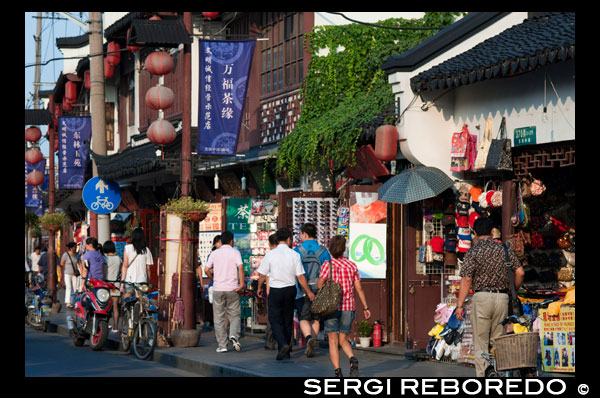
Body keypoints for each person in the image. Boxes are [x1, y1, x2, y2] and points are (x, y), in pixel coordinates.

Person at [455, 217, 525, 377]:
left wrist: (459, 305)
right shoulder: (504, 249)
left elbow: (466, 279)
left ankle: (484, 375)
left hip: (481, 298)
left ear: (475, 233)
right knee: (497, 340)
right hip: (502, 298)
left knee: (481, 341)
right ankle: (499, 372)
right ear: (493, 232)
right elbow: (520, 272)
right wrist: (512, 290)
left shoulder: (473, 252)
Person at [257, 228, 315, 360]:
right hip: (290, 290)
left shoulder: (270, 254)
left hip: (275, 290)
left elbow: (262, 274)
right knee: (287, 320)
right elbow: (300, 277)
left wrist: (259, 287)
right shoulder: (294, 255)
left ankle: (282, 344)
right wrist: (309, 291)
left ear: (277, 239)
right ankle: (286, 351)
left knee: (274, 319)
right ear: (289, 239)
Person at [318, 235, 371, 377]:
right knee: (343, 339)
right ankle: (352, 359)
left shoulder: (327, 265)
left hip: (331, 307)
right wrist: (366, 307)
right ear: (343, 249)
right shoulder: (351, 265)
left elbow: (320, 284)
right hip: (348, 307)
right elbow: (359, 288)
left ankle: (337, 372)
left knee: (333, 341)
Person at [294, 223, 331, 357]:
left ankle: (308, 338)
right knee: (315, 319)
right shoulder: (323, 251)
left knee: (304, 318)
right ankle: (313, 343)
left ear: (304, 234)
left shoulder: (297, 250)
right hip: (318, 289)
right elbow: (328, 272)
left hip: (301, 290)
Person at [204, 231, 244, 353]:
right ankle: (234, 335)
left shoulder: (215, 253)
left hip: (218, 289)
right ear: (231, 241)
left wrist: (213, 279)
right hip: (232, 288)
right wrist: (241, 284)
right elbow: (240, 268)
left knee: (219, 317)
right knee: (235, 315)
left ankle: (222, 345)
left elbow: (206, 269)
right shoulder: (235, 252)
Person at [120, 227, 153, 299]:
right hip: (142, 280)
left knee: (127, 298)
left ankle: (126, 309)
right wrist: (148, 282)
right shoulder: (146, 250)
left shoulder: (127, 248)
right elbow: (148, 269)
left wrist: (122, 282)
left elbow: (125, 266)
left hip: (129, 279)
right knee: (140, 299)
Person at [263, 233, 278, 350]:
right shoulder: (288, 254)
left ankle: (270, 341)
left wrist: (266, 289)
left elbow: (266, 275)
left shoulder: (269, 255)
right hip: (287, 289)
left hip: (273, 290)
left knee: (272, 317)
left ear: (269, 244)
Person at [103, 240, 122, 331]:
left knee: (105, 305)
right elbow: (121, 272)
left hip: (107, 283)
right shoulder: (119, 258)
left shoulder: (106, 259)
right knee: (115, 306)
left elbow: (104, 272)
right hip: (116, 284)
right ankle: (115, 327)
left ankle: (107, 323)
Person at [60, 242, 80, 309]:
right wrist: (67, 266)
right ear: (71, 248)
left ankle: (73, 301)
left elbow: (79, 263)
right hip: (67, 273)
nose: (75, 248)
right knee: (68, 287)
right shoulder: (66, 254)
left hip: (75, 274)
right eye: (74, 247)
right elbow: (62, 263)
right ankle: (68, 302)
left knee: (75, 288)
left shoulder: (77, 255)